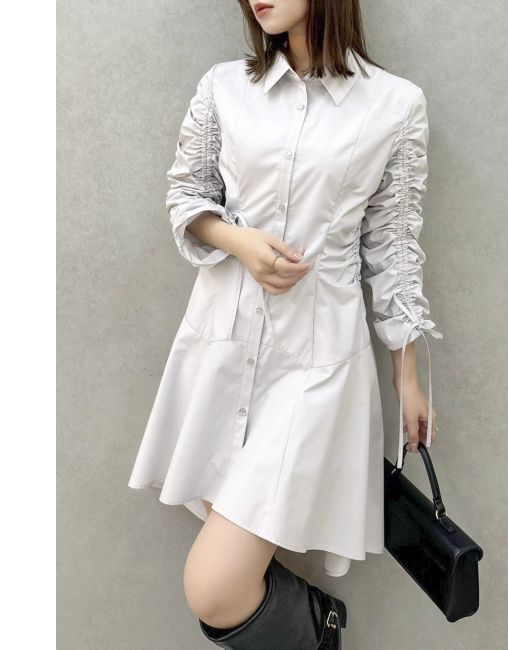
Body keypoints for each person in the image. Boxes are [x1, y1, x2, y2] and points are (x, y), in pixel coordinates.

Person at [128, 0, 443, 647]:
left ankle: (321, 629)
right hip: (221, 347)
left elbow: (392, 250)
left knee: (213, 589)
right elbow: (186, 197)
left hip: (317, 365)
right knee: (227, 570)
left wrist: (408, 376)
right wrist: (240, 241)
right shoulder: (224, 88)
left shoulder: (395, 105)